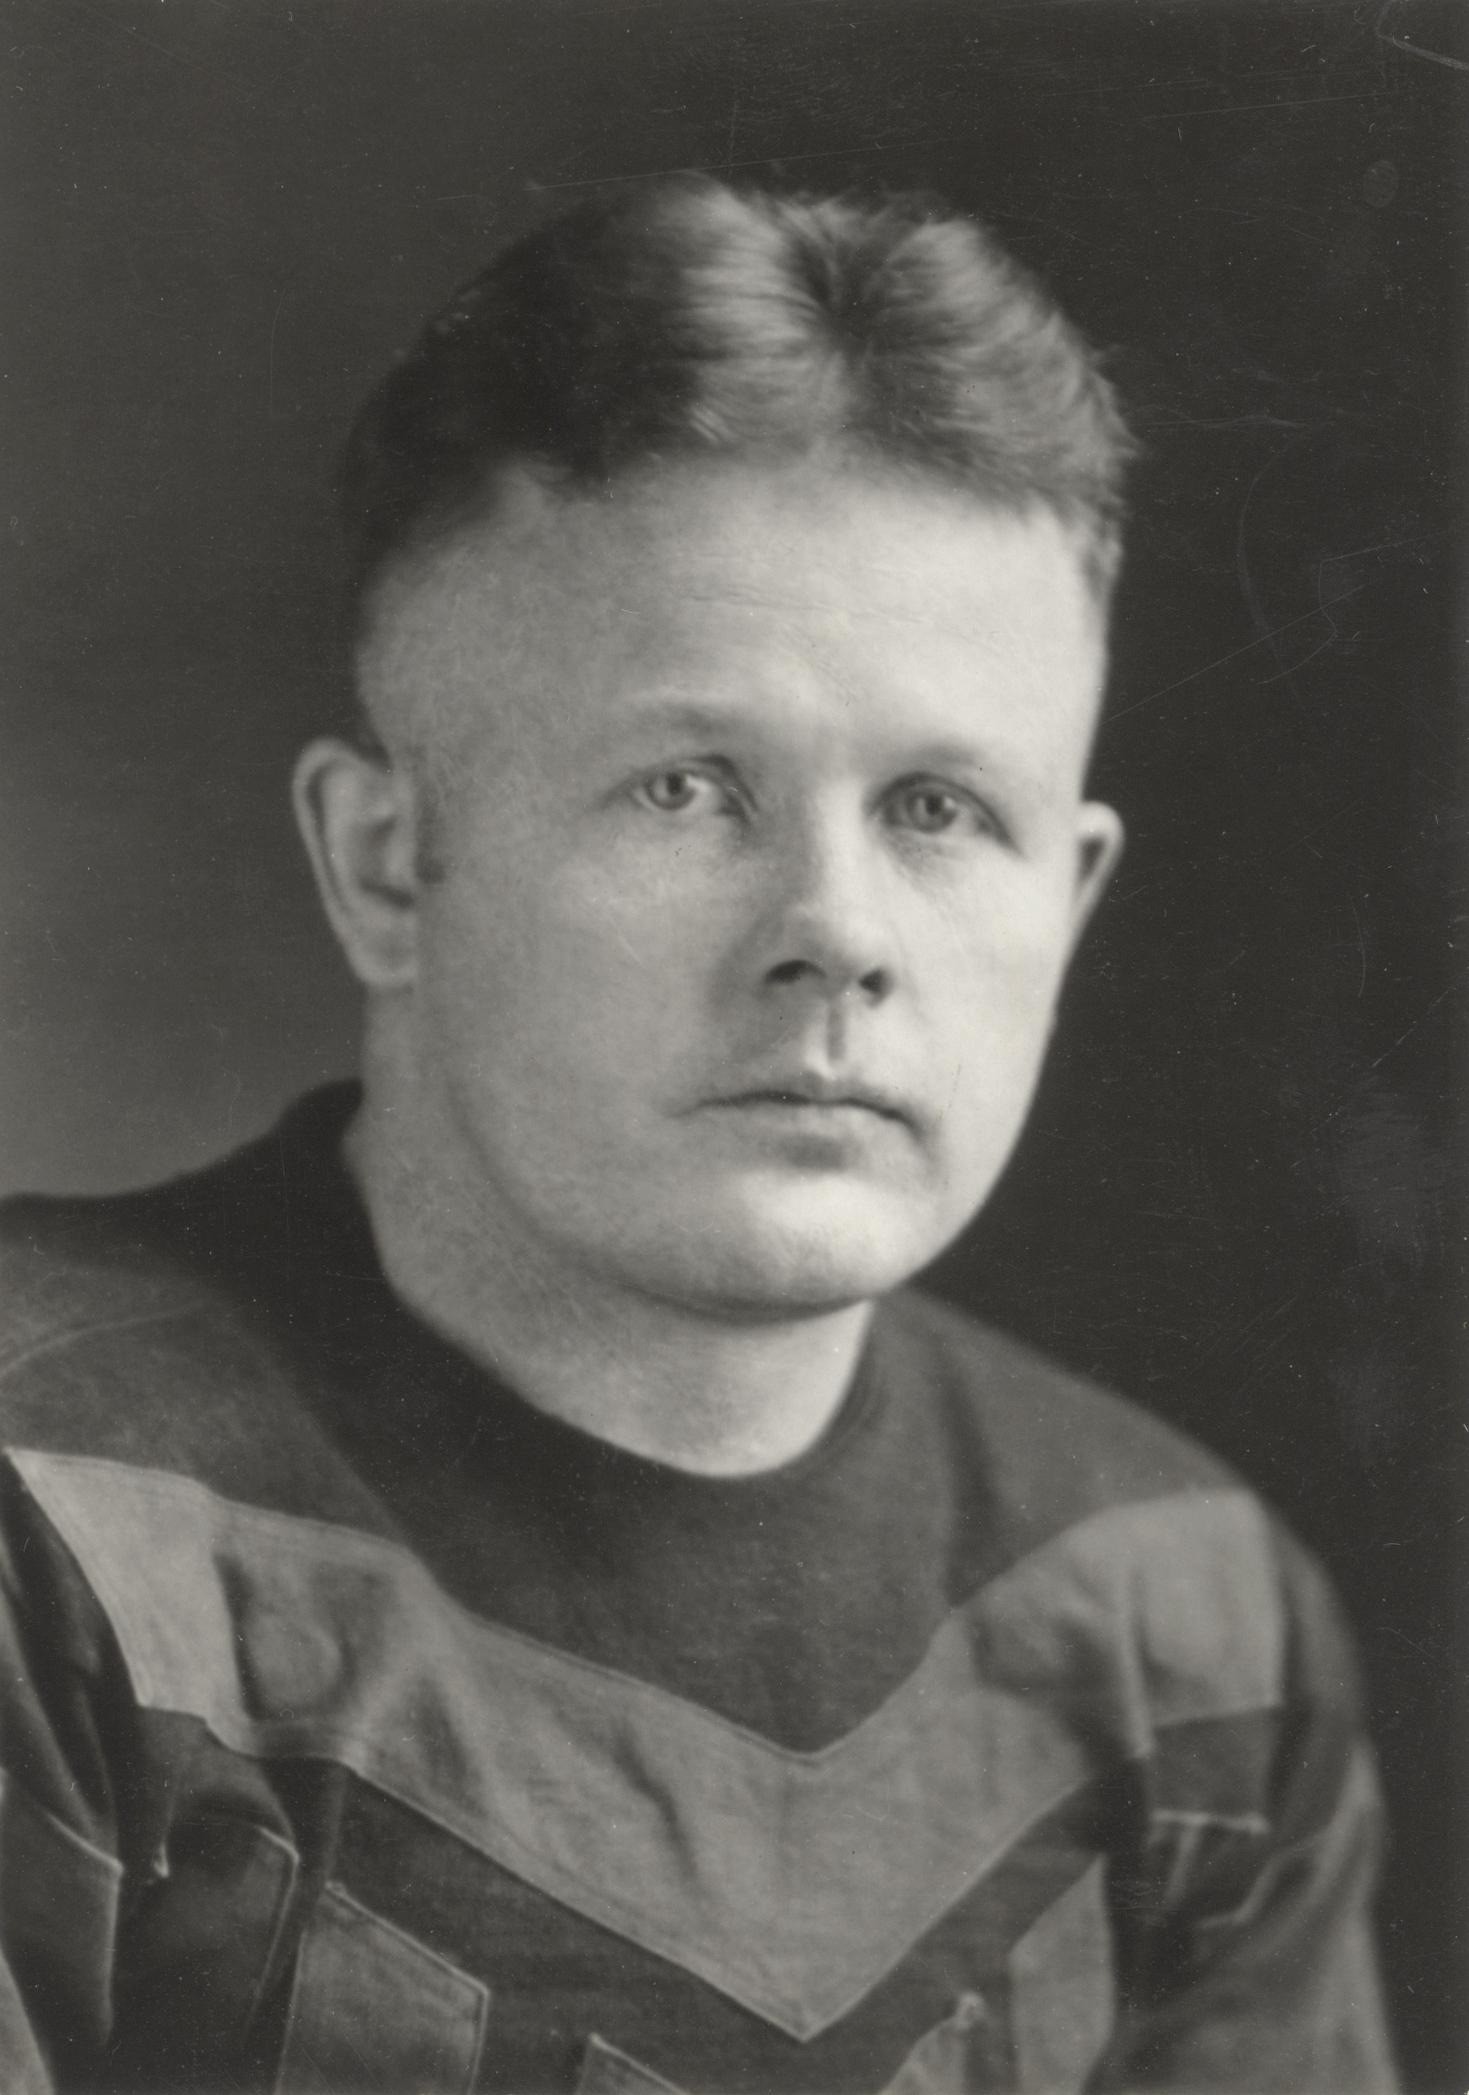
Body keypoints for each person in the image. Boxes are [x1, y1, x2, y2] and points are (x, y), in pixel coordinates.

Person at [0, 179, 1396, 2095]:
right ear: (386, 865)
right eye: (685, 787)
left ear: (1068, 903)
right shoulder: (50, 1505)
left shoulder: (1180, 1615)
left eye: (938, 809)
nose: (837, 931)